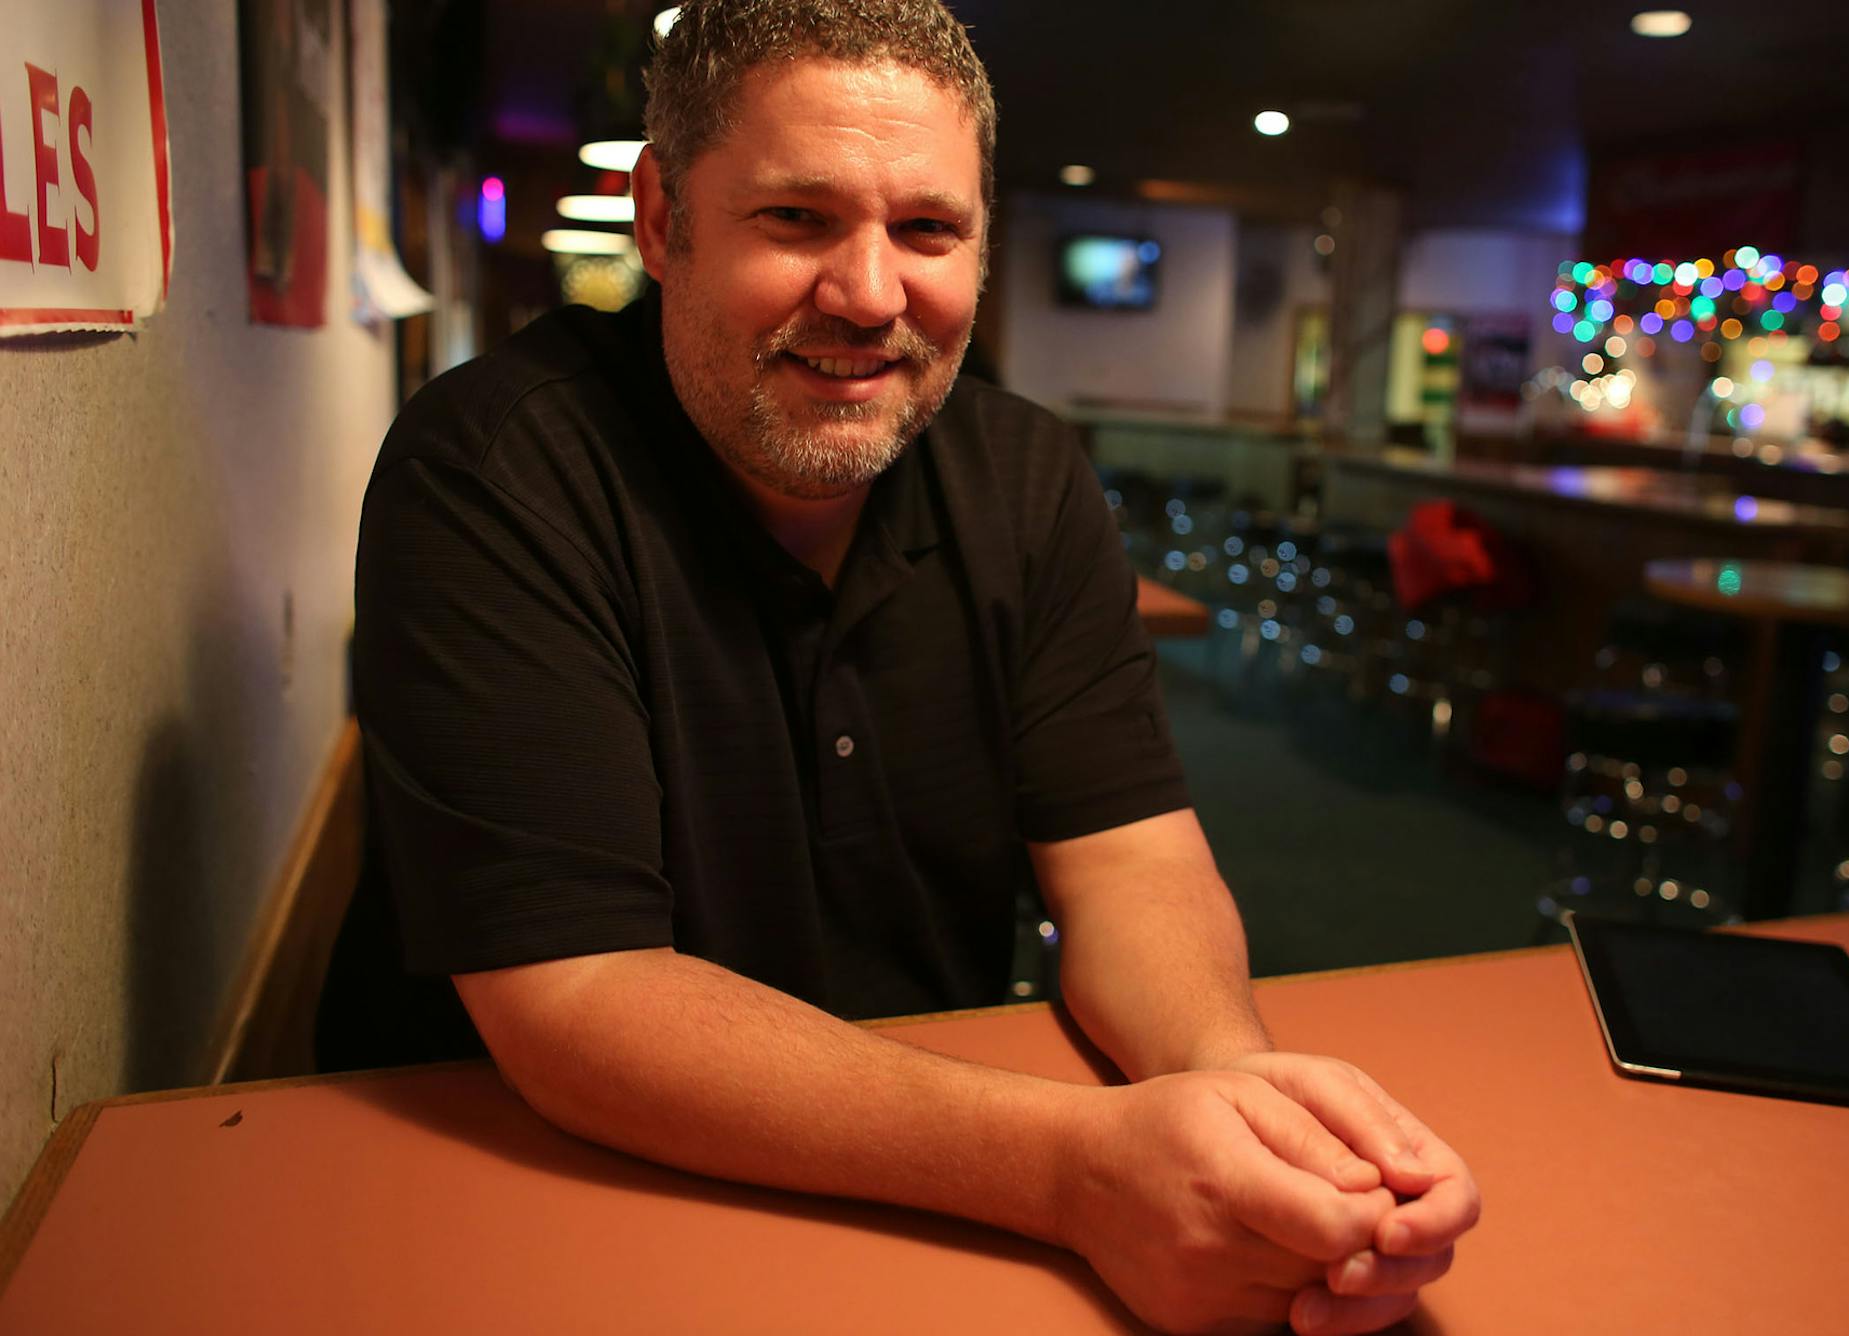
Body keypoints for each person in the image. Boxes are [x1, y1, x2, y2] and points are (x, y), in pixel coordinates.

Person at [317, 2, 1479, 1332]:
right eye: (797, 218)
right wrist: (1080, 1169)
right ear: (662, 220)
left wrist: (1235, 1091)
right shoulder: (495, 468)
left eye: (928, 229)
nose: (870, 295)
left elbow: (1131, 865)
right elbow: (575, 995)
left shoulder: (1029, 477)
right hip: (547, 1208)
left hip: (928, 1186)